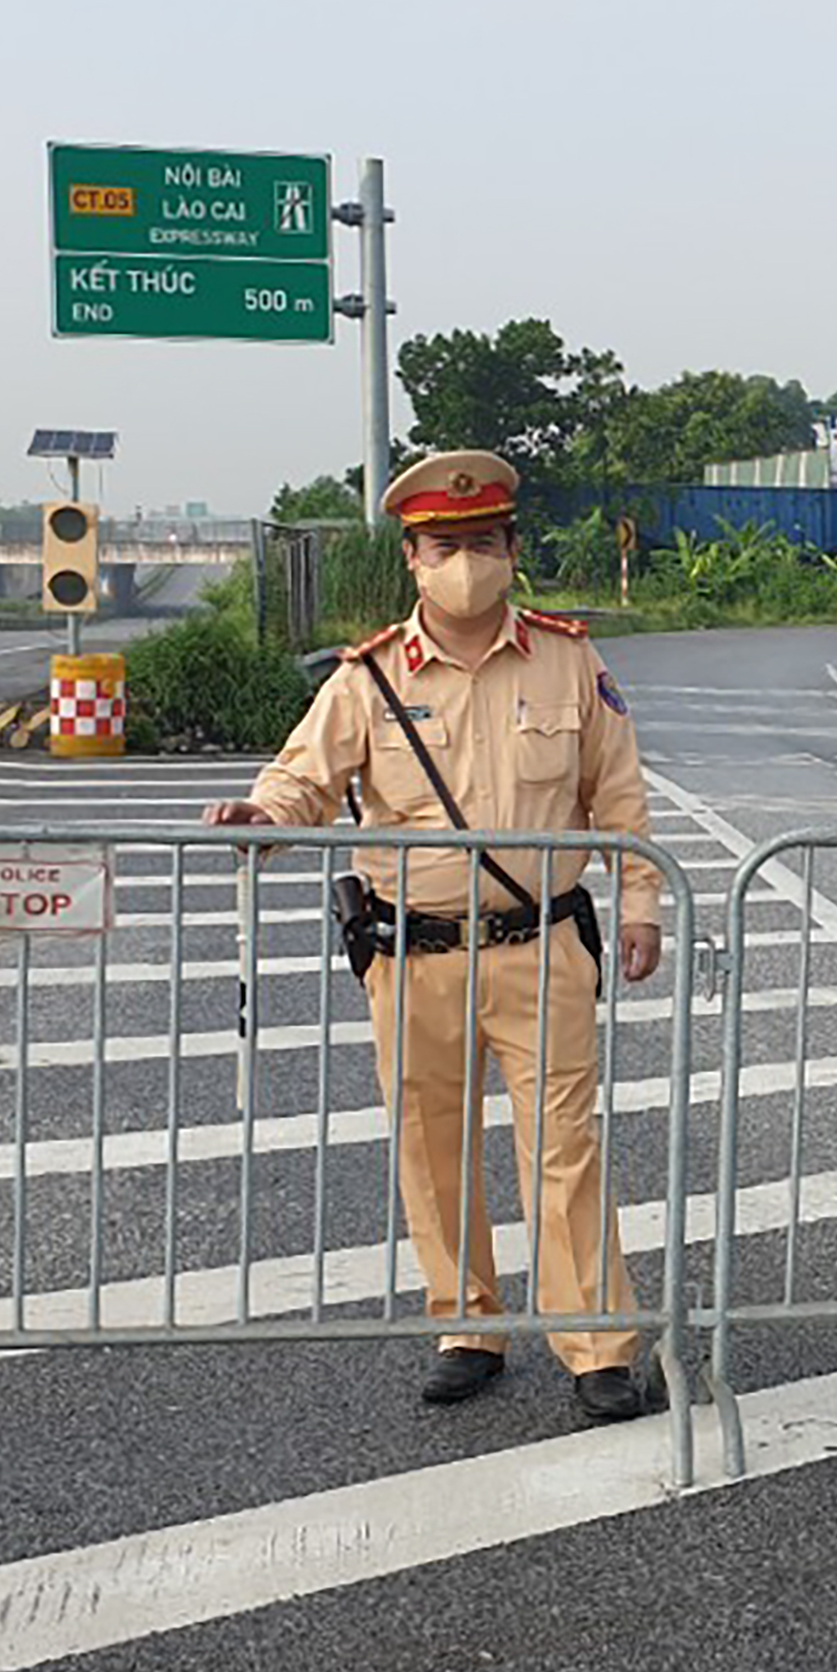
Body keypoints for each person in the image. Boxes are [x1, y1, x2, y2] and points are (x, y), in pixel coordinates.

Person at [203, 449, 665, 1423]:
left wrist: (640, 904)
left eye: (483, 543)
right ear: (413, 558)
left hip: (541, 947)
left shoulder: (569, 660)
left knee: (566, 1147)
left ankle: (597, 1344)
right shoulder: (365, 679)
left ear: (512, 549)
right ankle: (468, 1322)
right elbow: (304, 783)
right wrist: (263, 818)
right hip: (411, 955)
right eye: (444, 546)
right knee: (432, 1146)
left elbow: (619, 799)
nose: (466, 563)